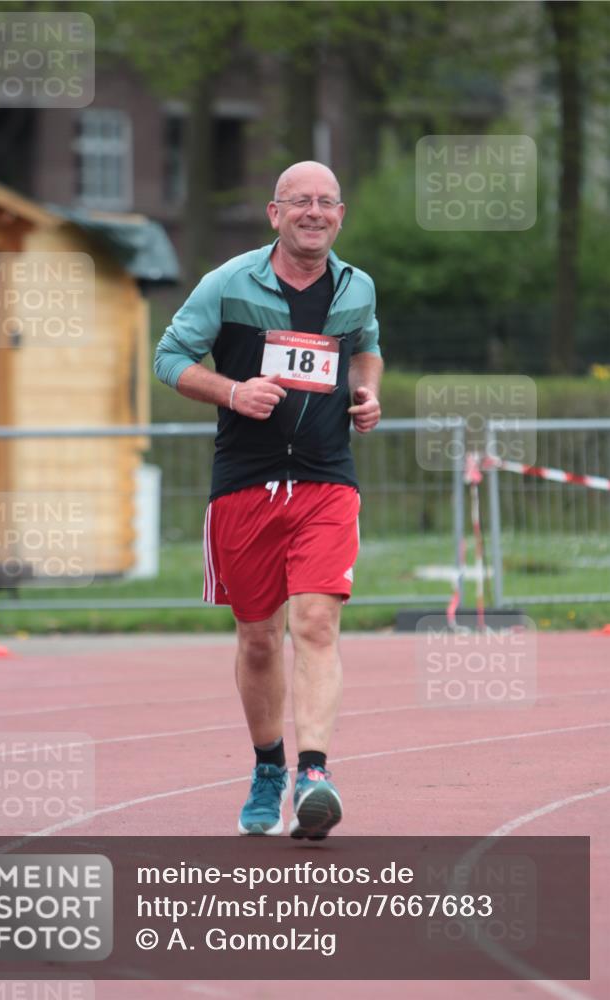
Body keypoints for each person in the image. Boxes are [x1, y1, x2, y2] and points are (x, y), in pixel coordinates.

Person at [154, 161, 383, 839]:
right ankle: (267, 767)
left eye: (325, 202)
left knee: (315, 622)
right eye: (299, 202)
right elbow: (170, 358)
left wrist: (368, 394)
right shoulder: (227, 283)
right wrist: (233, 391)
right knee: (259, 640)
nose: (313, 212)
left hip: (325, 478)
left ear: (339, 215)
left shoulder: (356, 287)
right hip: (245, 483)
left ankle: (314, 772)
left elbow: (365, 348)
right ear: (274, 213)